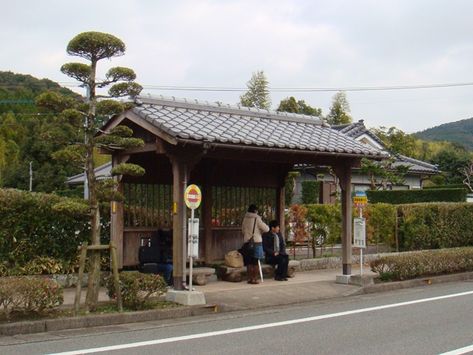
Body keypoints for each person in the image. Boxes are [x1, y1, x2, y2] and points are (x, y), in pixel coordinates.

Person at [241, 204, 269, 284]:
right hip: (256, 242)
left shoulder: (245, 218)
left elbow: (243, 231)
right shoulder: (257, 218)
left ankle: (249, 279)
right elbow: (266, 229)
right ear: (255, 211)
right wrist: (259, 232)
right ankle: (254, 279)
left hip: (247, 243)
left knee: (249, 262)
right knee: (256, 261)